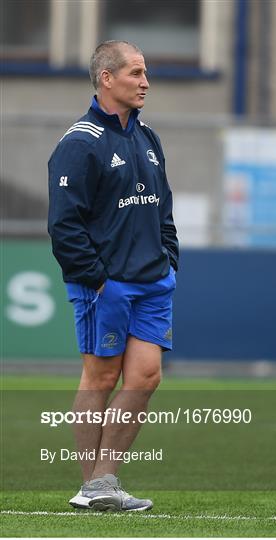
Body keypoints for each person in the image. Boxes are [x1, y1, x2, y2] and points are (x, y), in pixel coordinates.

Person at [48, 40, 179, 512]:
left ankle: (107, 480)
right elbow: (63, 225)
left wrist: (170, 255)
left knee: (145, 377)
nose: (145, 82)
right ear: (107, 78)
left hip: (154, 281)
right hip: (107, 284)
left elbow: (162, 204)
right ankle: (92, 486)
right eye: (136, 73)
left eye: (146, 74)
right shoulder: (79, 143)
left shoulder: (148, 138)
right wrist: (96, 279)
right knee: (101, 376)